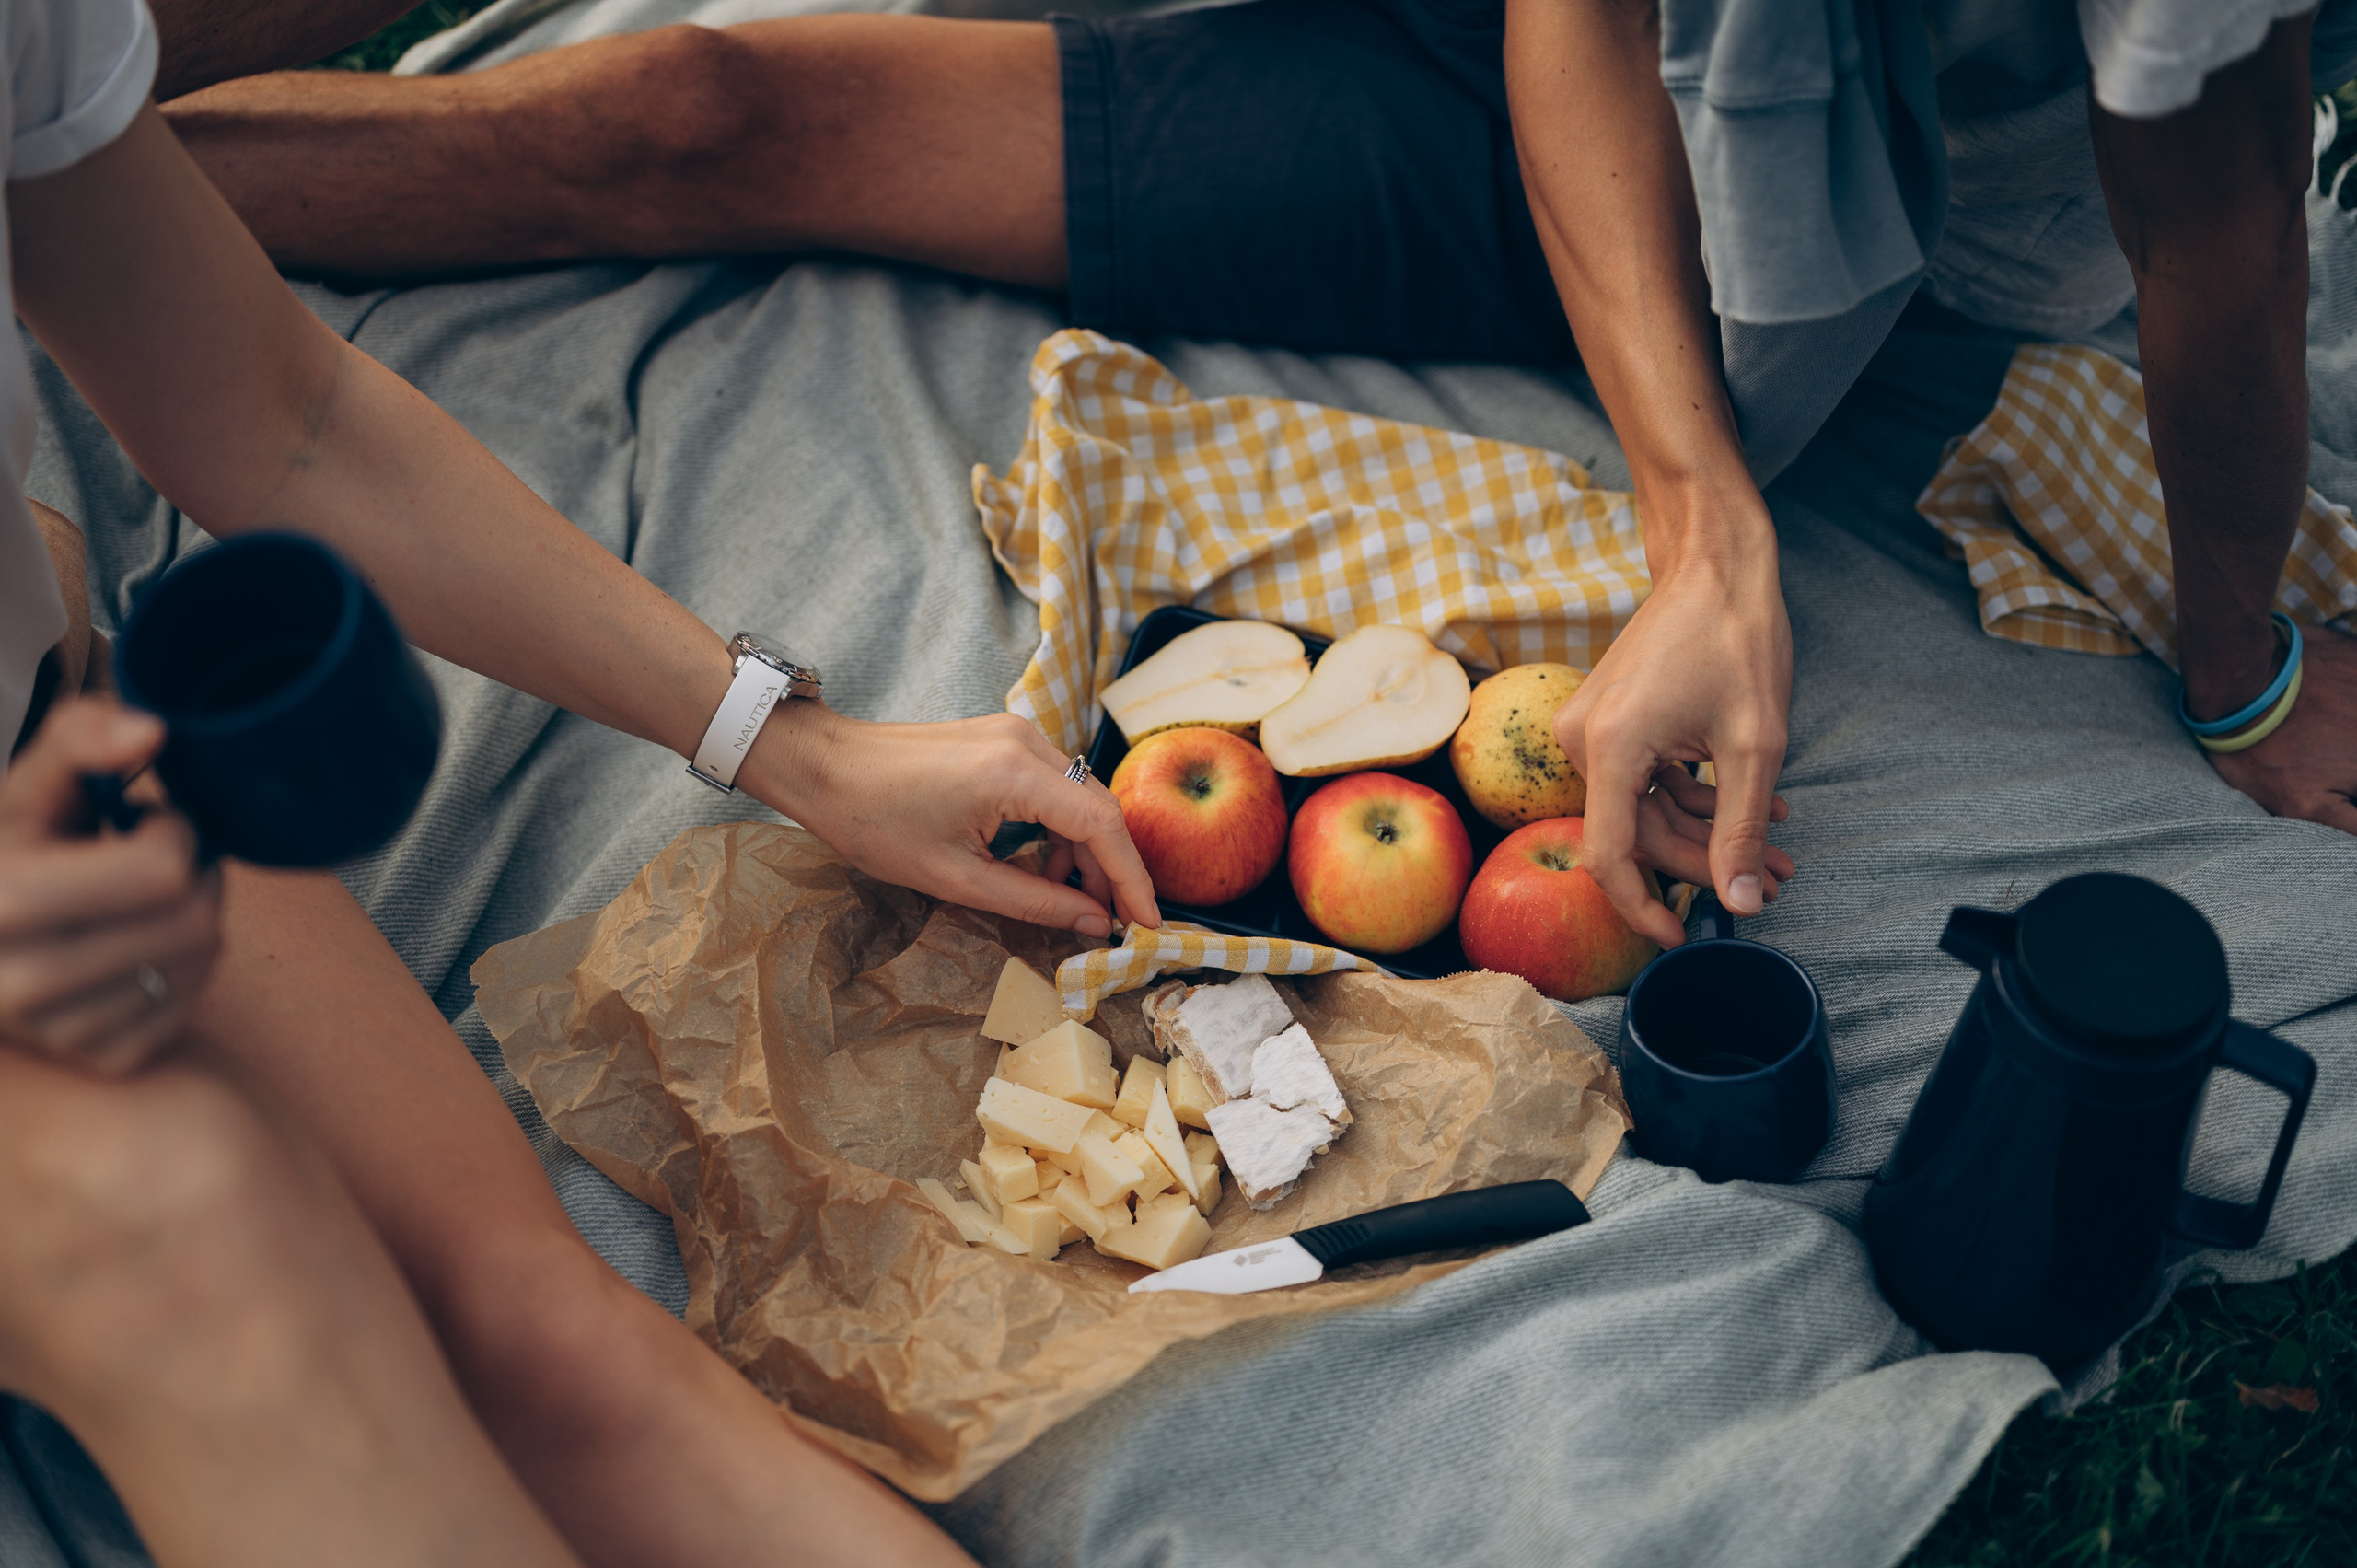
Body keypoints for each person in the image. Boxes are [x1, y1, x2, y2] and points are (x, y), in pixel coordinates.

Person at [157, 0, 2357, 951]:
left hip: (1634, 179)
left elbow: (2221, 243)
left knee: (695, 107)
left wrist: (2240, 664)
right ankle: (62, 108)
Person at [0, 1, 1165, 1562]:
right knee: (204, 1241)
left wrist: (791, 746)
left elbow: (285, 419)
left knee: (554, 1336)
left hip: (48, 760)